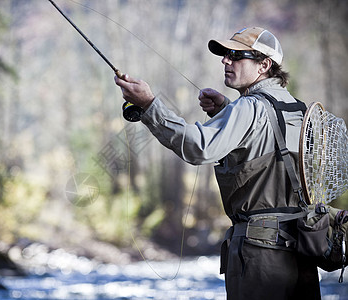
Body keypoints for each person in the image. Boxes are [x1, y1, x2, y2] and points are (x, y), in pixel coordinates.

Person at [114, 27, 321, 300]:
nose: (225, 60)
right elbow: (270, 153)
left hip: (261, 257)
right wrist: (226, 110)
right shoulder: (299, 109)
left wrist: (150, 106)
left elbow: (198, 148)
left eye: (236, 55)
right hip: (303, 254)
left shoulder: (249, 108)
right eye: (225, 54)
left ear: (264, 65)